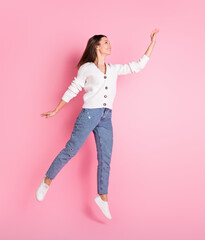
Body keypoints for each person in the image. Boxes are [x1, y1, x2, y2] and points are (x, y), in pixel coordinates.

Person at [36, 29, 159, 220]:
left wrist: (152, 43)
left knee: (105, 158)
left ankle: (103, 198)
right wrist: (56, 109)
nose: (110, 45)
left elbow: (137, 66)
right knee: (70, 150)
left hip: (106, 117)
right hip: (89, 116)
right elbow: (73, 88)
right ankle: (46, 180)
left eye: (109, 42)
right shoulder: (86, 68)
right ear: (97, 46)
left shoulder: (113, 68)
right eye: (106, 42)